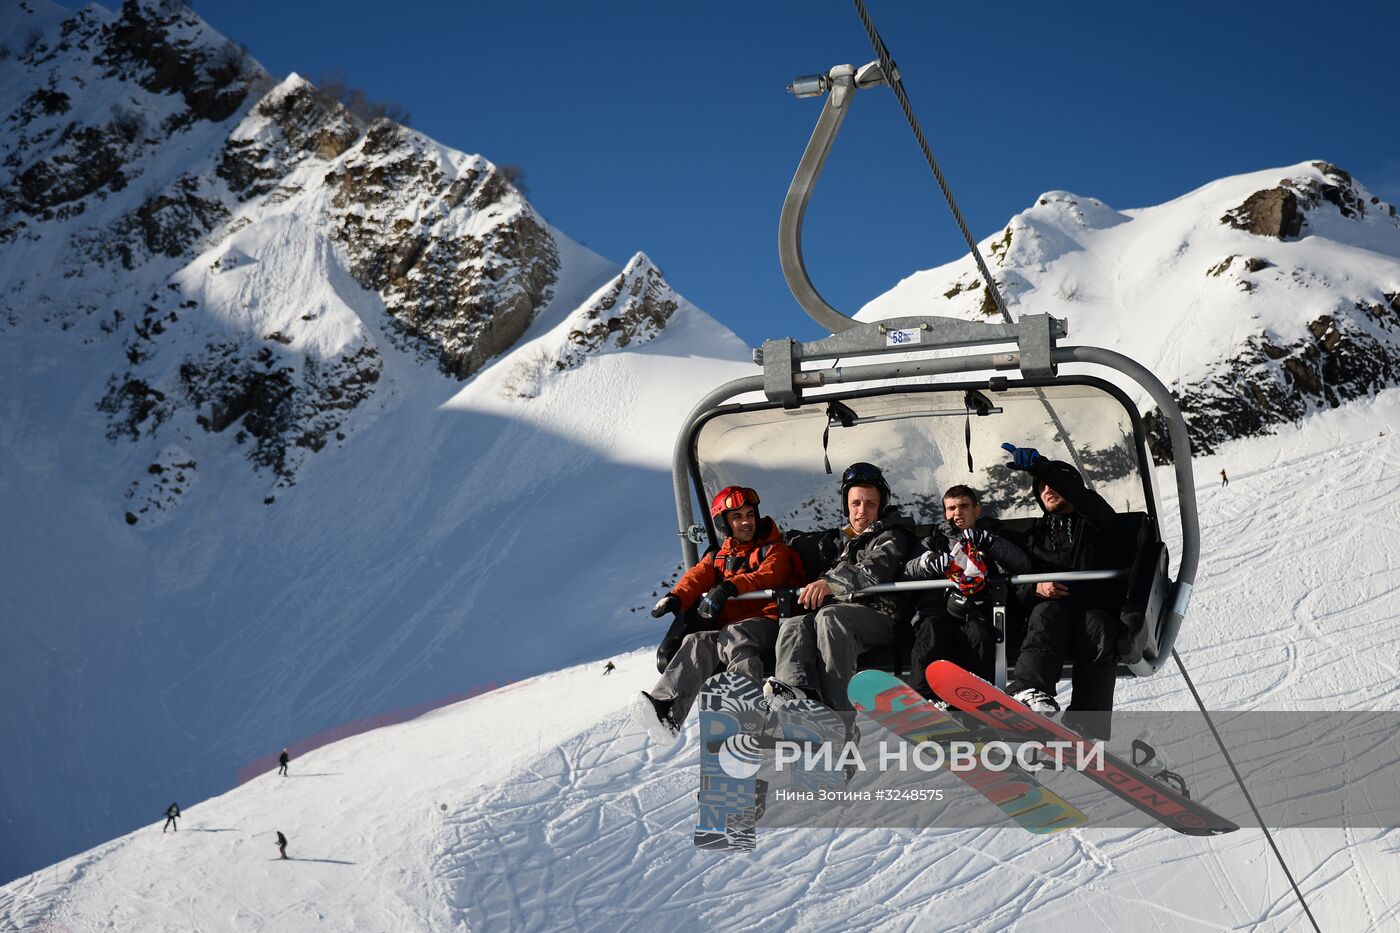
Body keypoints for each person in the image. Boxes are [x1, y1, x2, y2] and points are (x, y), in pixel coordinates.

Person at [631, 485, 805, 744]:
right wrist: (677, 598)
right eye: (737, 517)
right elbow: (698, 576)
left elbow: (768, 575)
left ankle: (749, 711)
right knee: (696, 641)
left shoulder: (774, 549)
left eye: (749, 514)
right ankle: (668, 710)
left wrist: (730, 586)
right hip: (731, 629)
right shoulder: (719, 557)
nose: (746, 522)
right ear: (724, 523)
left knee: (735, 635)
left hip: (771, 622)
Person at [765, 462, 918, 712]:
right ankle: (795, 699)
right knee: (794, 624)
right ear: (846, 506)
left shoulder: (892, 535)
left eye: (870, 504)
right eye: (856, 504)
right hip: (842, 615)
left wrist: (829, 583)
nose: (862, 511)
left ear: (880, 507)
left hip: (881, 616)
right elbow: (802, 544)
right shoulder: (845, 541)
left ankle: (840, 713)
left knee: (829, 617)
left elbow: (875, 569)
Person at [999, 443, 1122, 732]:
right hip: (1050, 615)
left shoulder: (1095, 524)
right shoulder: (1034, 536)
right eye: (1041, 487)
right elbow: (1016, 584)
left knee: (1101, 626)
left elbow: (1092, 506)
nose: (1047, 490)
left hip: (1090, 609)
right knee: (1048, 611)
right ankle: (1030, 691)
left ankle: (1086, 722)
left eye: (1054, 484)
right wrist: (1036, 588)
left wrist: (1043, 468)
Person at [903, 485, 1031, 703]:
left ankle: (979, 706)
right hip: (939, 609)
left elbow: (1021, 563)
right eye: (951, 508)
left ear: (977, 510)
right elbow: (909, 569)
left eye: (963, 506)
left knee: (978, 637)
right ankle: (924, 701)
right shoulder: (935, 541)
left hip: (980, 609)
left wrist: (988, 542)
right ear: (945, 513)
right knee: (931, 632)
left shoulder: (992, 537)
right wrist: (928, 562)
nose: (957, 513)